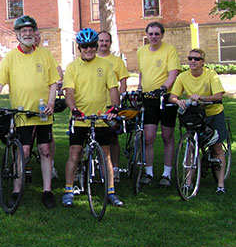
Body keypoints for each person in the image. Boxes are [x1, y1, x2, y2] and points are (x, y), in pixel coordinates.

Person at [0, 15, 59, 208]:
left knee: (45, 150)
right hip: (22, 114)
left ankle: (47, 191)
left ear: (35, 33)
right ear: (17, 35)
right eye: (23, 31)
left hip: (42, 113)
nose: (27, 33)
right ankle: (17, 190)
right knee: (21, 152)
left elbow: (53, 83)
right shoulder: (10, 57)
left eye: (30, 30)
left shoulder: (45, 54)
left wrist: (51, 102)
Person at [61, 28, 124, 207]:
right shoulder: (72, 67)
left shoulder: (105, 65)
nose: (89, 49)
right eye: (85, 46)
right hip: (80, 118)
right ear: (79, 48)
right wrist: (74, 109)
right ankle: (68, 190)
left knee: (106, 155)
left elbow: (113, 89)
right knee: (75, 153)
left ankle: (111, 192)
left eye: (92, 46)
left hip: (101, 117)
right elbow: (69, 92)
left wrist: (113, 107)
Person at [169, 49, 228, 193]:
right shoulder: (183, 76)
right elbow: (172, 96)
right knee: (190, 147)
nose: (193, 61)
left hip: (213, 112)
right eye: (190, 58)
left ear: (202, 62)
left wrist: (202, 98)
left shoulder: (211, 74)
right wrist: (179, 101)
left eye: (196, 59)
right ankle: (188, 182)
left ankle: (220, 184)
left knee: (217, 148)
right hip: (196, 114)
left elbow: (218, 95)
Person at [137, 21, 180, 187]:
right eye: (151, 34)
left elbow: (173, 73)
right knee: (148, 137)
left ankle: (166, 173)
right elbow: (142, 72)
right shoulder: (141, 51)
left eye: (157, 34)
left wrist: (163, 88)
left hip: (166, 98)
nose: (153, 37)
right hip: (148, 99)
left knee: (167, 136)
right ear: (147, 35)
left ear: (162, 35)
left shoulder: (169, 50)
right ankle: (148, 173)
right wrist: (140, 87)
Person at [97, 31, 129, 182]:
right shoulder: (92, 59)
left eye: (106, 41)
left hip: (110, 106)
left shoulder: (117, 61)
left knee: (112, 138)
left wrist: (118, 102)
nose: (104, 43)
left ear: (110, 43)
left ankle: (115, 168)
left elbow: (123, 83)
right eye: (101, 41)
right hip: (95, 105)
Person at [34, 29, 64, 180]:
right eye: (34, 35)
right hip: (26, 103)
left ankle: (50, 166)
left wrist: (57, 84)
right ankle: (18, 166)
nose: (36, 38)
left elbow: (58, 72)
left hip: (44, 105)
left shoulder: (46, 54)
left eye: (38, 35)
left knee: (48, 138)